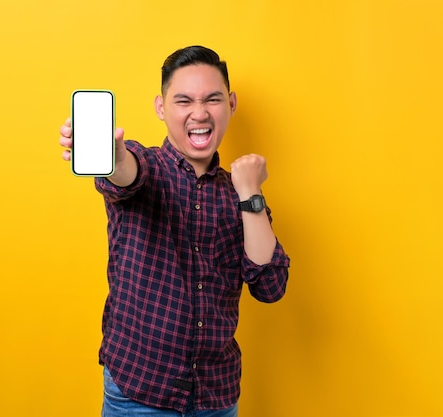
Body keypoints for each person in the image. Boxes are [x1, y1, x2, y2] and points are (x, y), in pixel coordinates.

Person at [59, 45, 290, 417]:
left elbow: (270, 287)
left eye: (212, 99)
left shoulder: (240, 193)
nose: (199, 113)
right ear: (161, 108)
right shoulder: (145, 164)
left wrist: (250, 192)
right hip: (139, 395)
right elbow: (124, 176)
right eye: (184, 101)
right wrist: (113, 157)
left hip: (216, 398)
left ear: (230, 104)